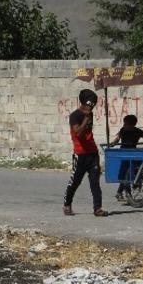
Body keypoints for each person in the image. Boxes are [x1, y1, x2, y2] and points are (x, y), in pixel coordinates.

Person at [63, 89, 107, 217]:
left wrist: (88, 117)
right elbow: (78, 133)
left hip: (92, 153)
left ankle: (97, 208)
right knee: (75, 181)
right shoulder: (75, 116)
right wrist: (86, 119)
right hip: (80, 154)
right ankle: (67, 205)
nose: (91, 107)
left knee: (95, 182)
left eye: (93, 104)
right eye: (89, 104)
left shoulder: (90, 114)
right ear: (83, 103)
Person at [110, 114, 143, 201]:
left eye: (126, 123)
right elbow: (117, 139)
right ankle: (120, 192)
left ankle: (121, 192)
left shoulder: (138, 131)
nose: (124, 125)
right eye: (124, 123)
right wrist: (112, 144)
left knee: (130, 172)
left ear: (132, 124)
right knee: (124, 173)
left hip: (133, 154)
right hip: (124, 154)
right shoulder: (123, 130)